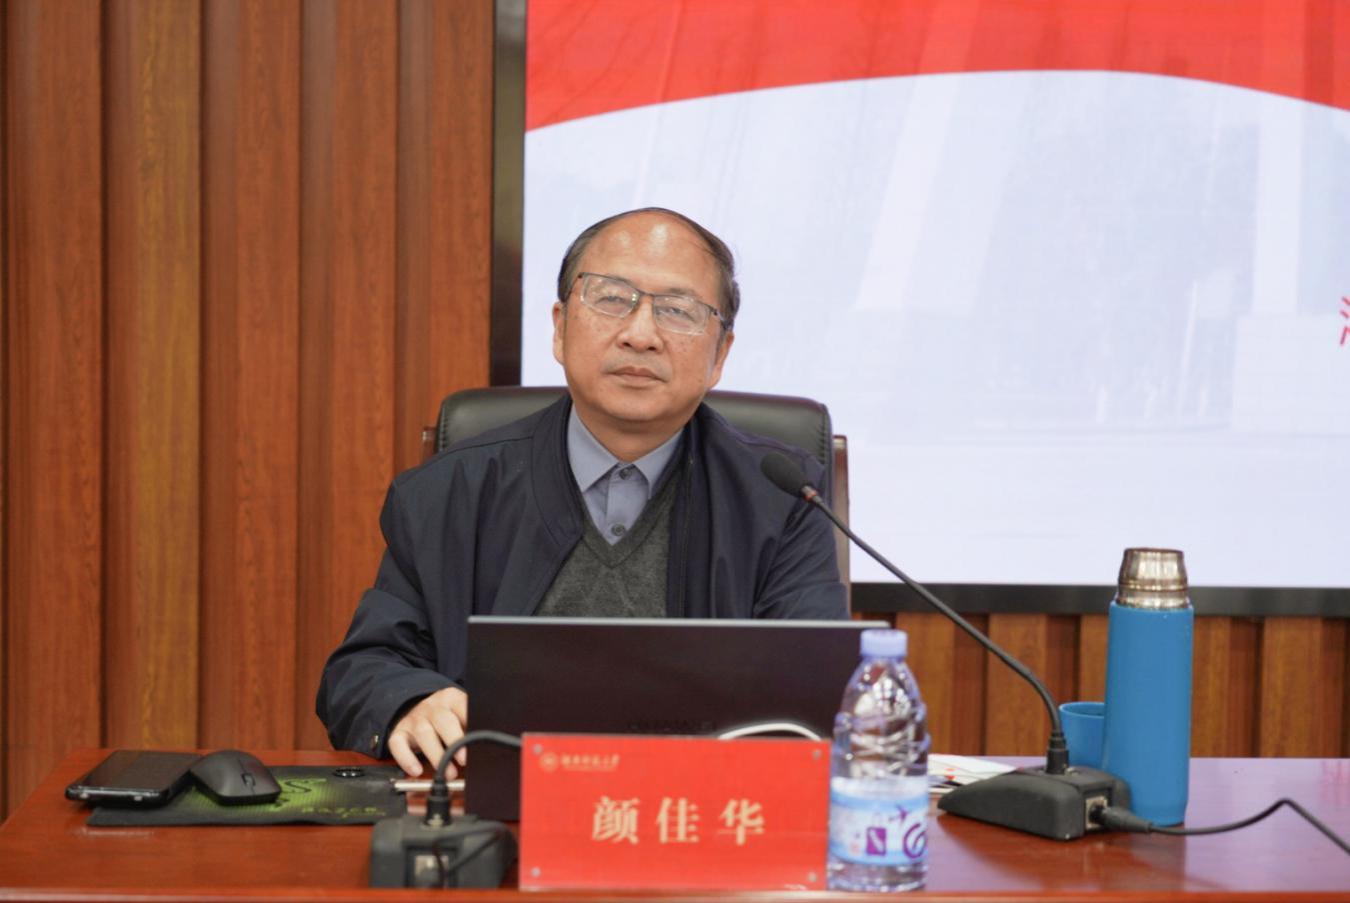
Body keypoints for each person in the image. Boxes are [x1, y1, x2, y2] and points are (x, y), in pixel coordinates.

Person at [316, 207, 846, 777]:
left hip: (700, 810)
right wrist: (411, 702)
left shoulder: (783, 499)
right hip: (494, 814)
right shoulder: (449, 492)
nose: (640, 335)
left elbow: (814, 693)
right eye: (612, 299)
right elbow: (364, 670)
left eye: (677, 310)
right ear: (560, 327)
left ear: (720, 354)